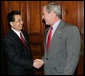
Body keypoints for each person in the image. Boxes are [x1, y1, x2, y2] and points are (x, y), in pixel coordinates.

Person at [34, 2, 81, 75]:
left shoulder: (71, 29)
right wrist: (42, 61)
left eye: (44, 14)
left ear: (52, 13)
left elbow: (73, 58)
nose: (42, 17)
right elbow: (49, 54)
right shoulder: (47, 31)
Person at [1, 11, 37, 75]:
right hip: (18, 72)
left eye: (22, 20)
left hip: (29, 70)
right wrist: (32, 63)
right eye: (19, 21)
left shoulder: (24, 33)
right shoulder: (7, 39)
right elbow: (14, 58)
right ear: (11, 23)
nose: (22, 23)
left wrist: (32, 65)